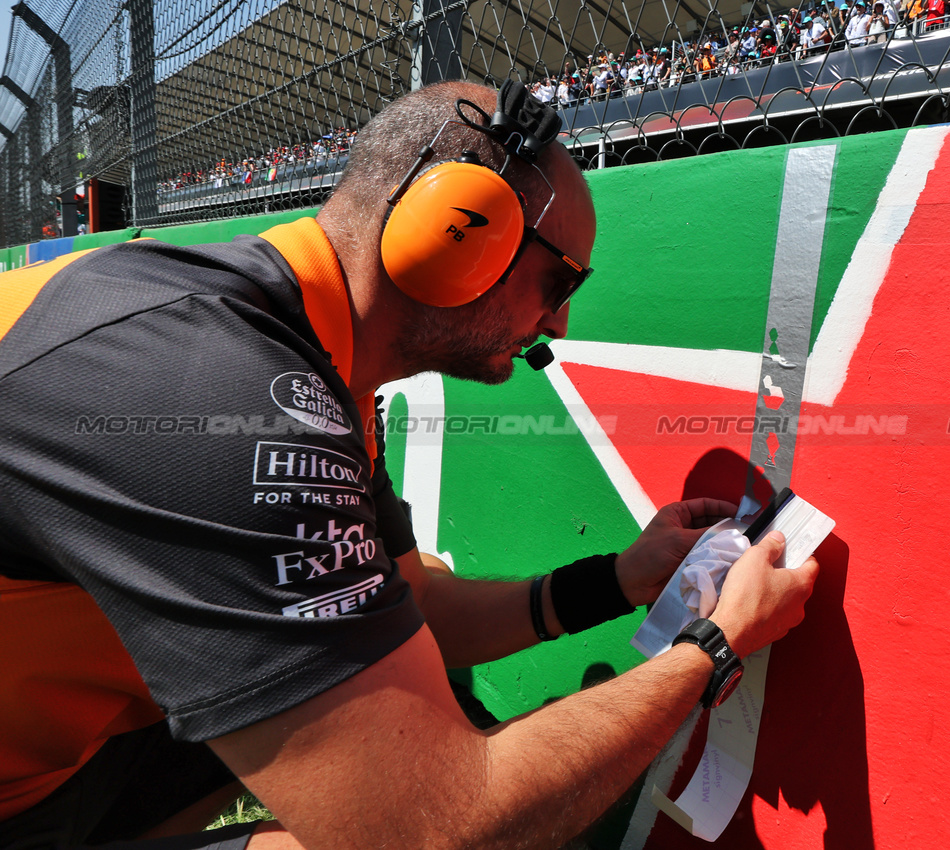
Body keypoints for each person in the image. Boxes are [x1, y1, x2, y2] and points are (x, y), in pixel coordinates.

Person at [0, 80, 819, 849]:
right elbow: (436, 829)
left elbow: (413, 603)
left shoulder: (293, 348)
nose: (560, 321)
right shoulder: (216, 392)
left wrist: (617, 580)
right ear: (458, 230)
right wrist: (712, 645)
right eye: (556, 279)